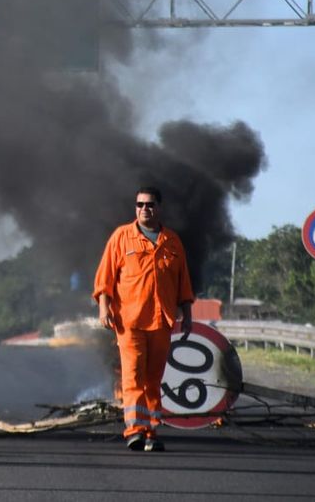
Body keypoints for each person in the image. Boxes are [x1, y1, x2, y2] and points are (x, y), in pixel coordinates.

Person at [93, 185, 194, 452]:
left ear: (159, 208)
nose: (144, 209)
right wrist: (104, 308)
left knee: (153, 378)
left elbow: (183, 281)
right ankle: (134, 430)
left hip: (161, 321)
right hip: (130, 321)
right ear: (135, 208)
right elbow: (104, 278)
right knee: (133, 376)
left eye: (149, 205)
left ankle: (151, 431)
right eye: (139, 205)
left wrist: (188, 314)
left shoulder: (171, 241)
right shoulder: (121, 237)